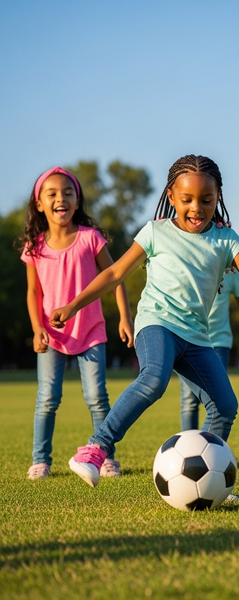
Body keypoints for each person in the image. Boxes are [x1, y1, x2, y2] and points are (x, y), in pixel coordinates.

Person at [50, 155, 239, 488]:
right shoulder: (155, 232)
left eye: (207, 200)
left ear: (218, 198)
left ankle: (209, 484)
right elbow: (115, 273)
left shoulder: (225, 239)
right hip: (157, 323)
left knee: (224, 405)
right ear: (171, 195)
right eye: (187, 199)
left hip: (196, 336)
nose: (197, 207)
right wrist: (74, 305)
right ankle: (95, 448)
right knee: (154, 379)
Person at [18, 166, 134, 480]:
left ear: (77, 200)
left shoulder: (89, 239)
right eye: (52, 193)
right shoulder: (36, 247)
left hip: (91, 330)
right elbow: (32, 291)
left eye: (68, 193)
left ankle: (104, 457)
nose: (61, 198)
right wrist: (36, 328)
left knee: (97, 398)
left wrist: (125, 317)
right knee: (47, 399)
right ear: (39, 203)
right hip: (52, 336)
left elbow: (116, 278)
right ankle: (40, 460)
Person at [179, 267, 239, 430]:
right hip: (191, 339)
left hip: (219, 342)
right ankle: (189, 447)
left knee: (219, 399)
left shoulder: (230, 271)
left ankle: (211, 448)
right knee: (189, 401)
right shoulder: (189, 263)